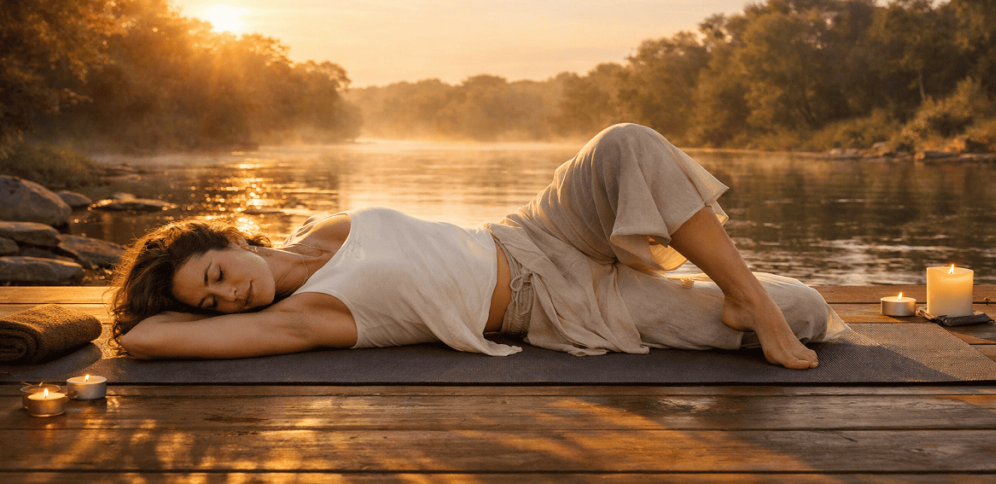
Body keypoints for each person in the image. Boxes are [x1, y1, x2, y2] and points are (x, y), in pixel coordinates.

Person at [109, 123, 848, 369]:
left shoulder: (322, 230)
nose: (226, 295)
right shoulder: (303, 318)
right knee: (810, 309)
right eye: (209, 304)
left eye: (215, 272)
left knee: (625, 142)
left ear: (233, 237)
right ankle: (747, 294)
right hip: (560, 303)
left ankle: (741, 292)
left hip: (536, 229)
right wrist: (144, 316)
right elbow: (143, 336)